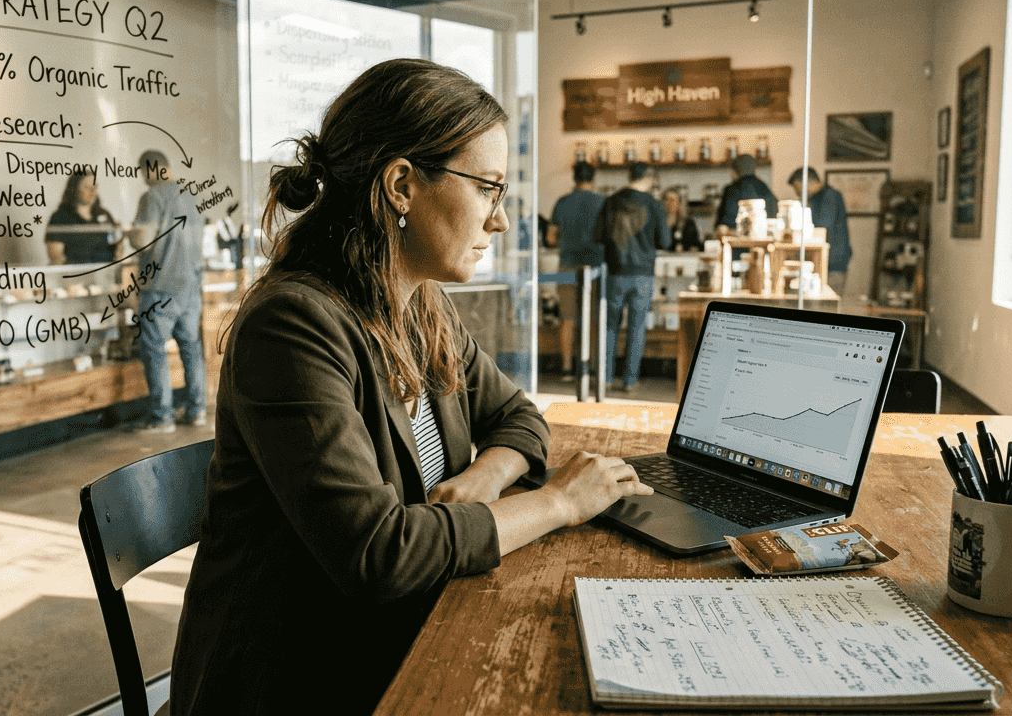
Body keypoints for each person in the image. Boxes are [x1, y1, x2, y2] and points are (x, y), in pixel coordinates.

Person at [168, 59, 651, 716]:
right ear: (400, 184)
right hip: (299, 678)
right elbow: (377, 553)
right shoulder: (291, 325)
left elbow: (517, 417)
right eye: (488, 189)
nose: (500, 221)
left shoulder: (419, 304)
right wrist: (558, 504)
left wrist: (486, 476)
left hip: (400, 632)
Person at [128, 151, 207, 433]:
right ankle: (197, 410)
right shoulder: (191, 197)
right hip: (190, 286)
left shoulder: (152, 197)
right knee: (191, 347)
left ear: (149, 169)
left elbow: (144, 240)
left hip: (161, 285)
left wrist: (128, 233)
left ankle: (162, 417)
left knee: (153, 348)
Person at [592, 162, 669, 395]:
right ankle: (629, 380)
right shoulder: (653, 205)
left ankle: (605, 378)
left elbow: (599, 235)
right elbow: (664, 241)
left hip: (615, 272)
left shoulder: (611, 202)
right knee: (637, 328)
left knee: (609, 326)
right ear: (649, 178)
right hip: (643, 275)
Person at [545, 161, 605, 380]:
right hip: (595, 268)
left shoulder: (562, 202)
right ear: (593, 178)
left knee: (567, 318)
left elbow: (551, 237)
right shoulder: (602, 202)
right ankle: (589, 367)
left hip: (567, 265)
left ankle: (567, 368)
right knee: (593, 318)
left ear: (574, 178)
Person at [789, 166, 853, 297]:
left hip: (832, 264)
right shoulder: (819, 198)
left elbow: (820, 228)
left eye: (798, 189)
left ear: (807, 182)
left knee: (827, 307)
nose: (798, 193)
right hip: (828, 262)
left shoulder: (829, 197)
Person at [45, 171, 121, 265]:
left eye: (95, 186)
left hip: (104, 274)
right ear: (75, 189)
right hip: (74, 276)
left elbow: (117, 247)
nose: (92, 191)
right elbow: (56, 258)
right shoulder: (60, 218)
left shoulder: (104, 214)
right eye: (87, 187)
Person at [713, 153, 777, 235]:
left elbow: (722, 228)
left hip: (739, 243)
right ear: (755, 170)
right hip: (765, 242)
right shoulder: (764, 188)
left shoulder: (731, 190)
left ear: (733, 173)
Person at [662, 186, 704, 252]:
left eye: (672, 200)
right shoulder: (657, 222)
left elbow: (696, 244)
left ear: (679, 203)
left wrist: (691, 248)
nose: (668, 203)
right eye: (666, 200)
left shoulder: (688, 223)